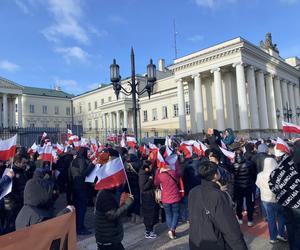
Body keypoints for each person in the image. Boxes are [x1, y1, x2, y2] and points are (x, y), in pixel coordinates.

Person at [188, 161, 247, 250]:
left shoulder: (193, 191)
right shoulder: (218, 195)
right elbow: (229, 227)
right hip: (214, 242)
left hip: (196, 240)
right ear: (215, 175)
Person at [95, 149, 134, 250]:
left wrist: (122, 203)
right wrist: (127, 204)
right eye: (117, 179)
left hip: (111, 238)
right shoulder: (105, 195)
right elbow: (112, 215)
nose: (120, 182)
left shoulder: (108, 193)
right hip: (108, 241)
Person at [269, 142, 300, 250]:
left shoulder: (279, 168)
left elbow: (272, 186)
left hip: (284, 204)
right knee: (297, 230)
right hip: (296, 206)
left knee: (291, 228)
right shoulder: (295, 165)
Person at [256, 158, 286, 244]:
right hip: (277, 199)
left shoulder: (260, 175)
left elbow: (258, 185)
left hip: (265, 199)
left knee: (271, 218)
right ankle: (281, 234)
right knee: (281, 216)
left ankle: (273, 238)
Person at [69, 147, 94, 235]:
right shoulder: (82, 161)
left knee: (78, 208)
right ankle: (80, 228)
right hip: (82, 187)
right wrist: (92, 165)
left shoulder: (73, 161)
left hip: (74, 187)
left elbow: (69, 176)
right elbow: (84, 173)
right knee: (82, 209)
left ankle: (78, 226)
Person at [154, 159, 182, 239]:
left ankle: (171, 230)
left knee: (168, 214)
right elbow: (179, 174)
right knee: (176, 213)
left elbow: (156, 183)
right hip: (175, 197)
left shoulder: (160, 175)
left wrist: (157, 172)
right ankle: (172, 230)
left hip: (165, 198)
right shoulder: (173, 173)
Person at [3, 154, 30, 233]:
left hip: (21, 202)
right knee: (11, 224)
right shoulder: (11, 172)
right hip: (13, 203)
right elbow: (7, 190)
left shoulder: (22, 171)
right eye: (23, 163)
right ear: (18, 162)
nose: (25, 165)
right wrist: (17, 198)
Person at [233, 148, 257, 227]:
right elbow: (254, 175)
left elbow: (232, 176)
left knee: (239, 203)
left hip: (238, 186)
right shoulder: (249, 163)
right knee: (249, 203)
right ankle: (250, 220)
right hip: (248, 186)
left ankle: (240, 218)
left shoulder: (233, 164)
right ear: (243, 154)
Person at [138, 160, 159, 239]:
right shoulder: (143, 174)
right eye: (150, 166)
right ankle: (148, 232)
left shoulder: (148, 172)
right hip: (147, 197)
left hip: (150, 196)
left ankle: (150, 230)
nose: (151, 167)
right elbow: (143, 187)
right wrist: (150, 180)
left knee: (152, 213)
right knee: (149, 214)